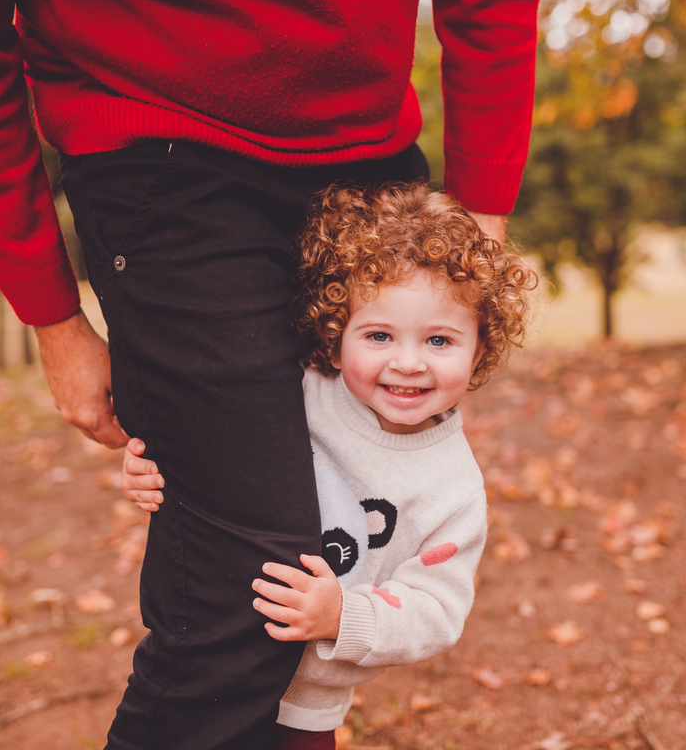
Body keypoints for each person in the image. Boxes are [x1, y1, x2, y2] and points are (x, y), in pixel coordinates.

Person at [0, 0, 538, 747]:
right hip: (160, 152)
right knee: (247, 599)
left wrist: (481, 225)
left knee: (314, 596)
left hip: (367, 154)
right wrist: (54, 321)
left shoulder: (447, 485)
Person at [121, 183, 537, 749]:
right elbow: (214, 457)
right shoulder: (296, 395)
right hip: (219, 664)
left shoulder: (455, 489)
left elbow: (437, 611)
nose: (408, 363)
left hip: (308, 707)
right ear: (337, 337)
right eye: (379, 335)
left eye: (439, 340)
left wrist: (345, 616)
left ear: (480, 350)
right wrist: (151, 469)